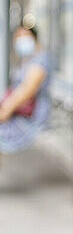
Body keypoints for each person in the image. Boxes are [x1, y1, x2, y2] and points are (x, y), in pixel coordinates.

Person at [0, 24, 51, 155]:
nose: (20, 40)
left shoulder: (40, 61)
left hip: (31, 121)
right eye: (18, 37)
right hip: (20, 115)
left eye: (24, 36)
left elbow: (27, 91)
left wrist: (5, 110)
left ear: (34, 38)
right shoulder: (28, 60)